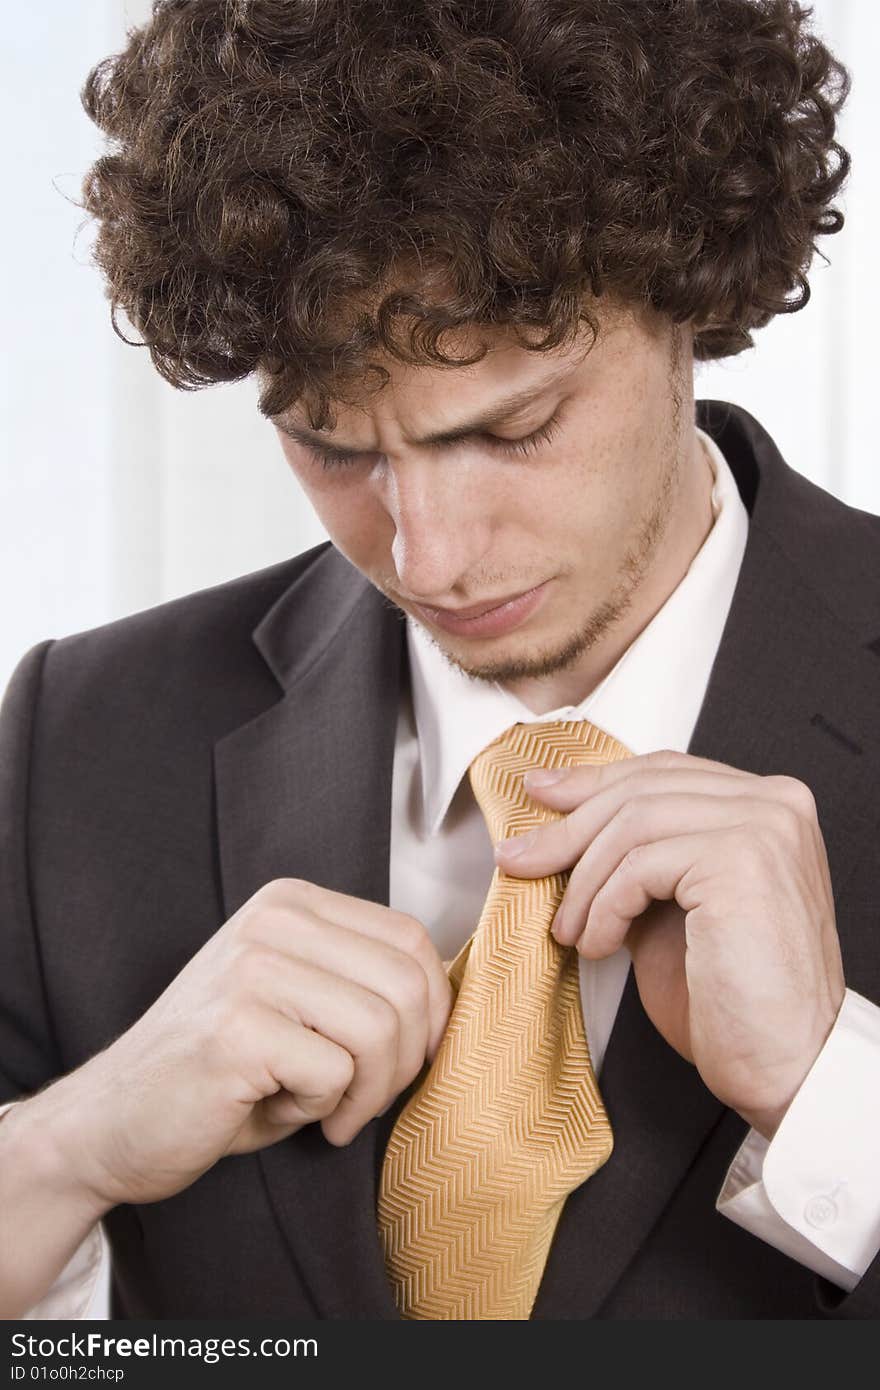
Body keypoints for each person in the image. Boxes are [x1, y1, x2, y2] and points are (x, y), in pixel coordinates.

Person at [1, 0, 879, 1321]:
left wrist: (835, 1097)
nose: (428, 555)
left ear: (689, 290)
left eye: (512, 427)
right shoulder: (83, 737)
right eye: (333, 448)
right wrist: (65, 1149)